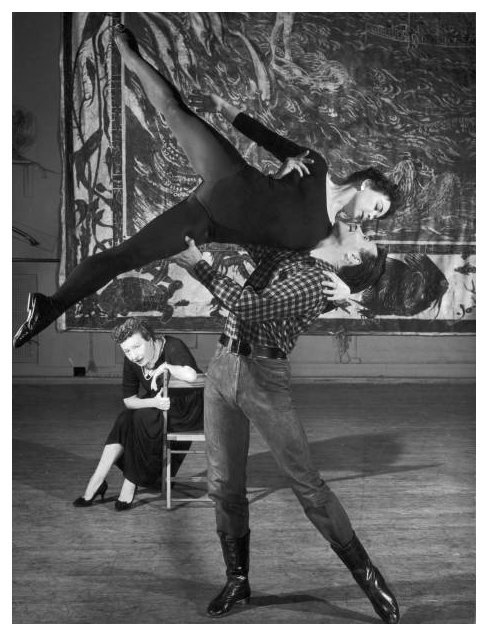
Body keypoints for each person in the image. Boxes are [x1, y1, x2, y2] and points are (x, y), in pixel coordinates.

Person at [13, 23, 400, 349]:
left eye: (376, 218)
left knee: (124, 257)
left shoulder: (325, 236)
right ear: (366, 185)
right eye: (378, 206)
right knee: (174, 109)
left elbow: (316, 284)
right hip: (229, 174)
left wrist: (348, 292)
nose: (372, 217)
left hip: (207, 222)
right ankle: (129, 55)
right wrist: (224, 108)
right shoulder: (317, 167)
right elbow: (267, 138)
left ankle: (50, 307)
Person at [171, 221, 399, 624]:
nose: (362, 228)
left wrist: (198, 265)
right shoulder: (295, 251)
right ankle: (237, 580)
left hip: (264, 378)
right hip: (223, 367)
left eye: (365, 238)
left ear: (351, 256)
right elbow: (253, 234)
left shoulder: (316, 282)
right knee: (223, 485)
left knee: (308, 485)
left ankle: (368, 576)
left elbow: (249, 306)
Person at [72, 318, 203, 511]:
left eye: (136, 347)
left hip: (187, 409)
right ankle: (97, 479)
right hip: (161, 403)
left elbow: (191, 376)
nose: (133, 355)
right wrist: (154, 402)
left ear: (150, 339)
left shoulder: (172, 346)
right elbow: (129, 400)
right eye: (127, 351)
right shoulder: (133, 359)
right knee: (125, 418)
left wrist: (167, 367)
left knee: (142, 418)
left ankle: (130, 483)